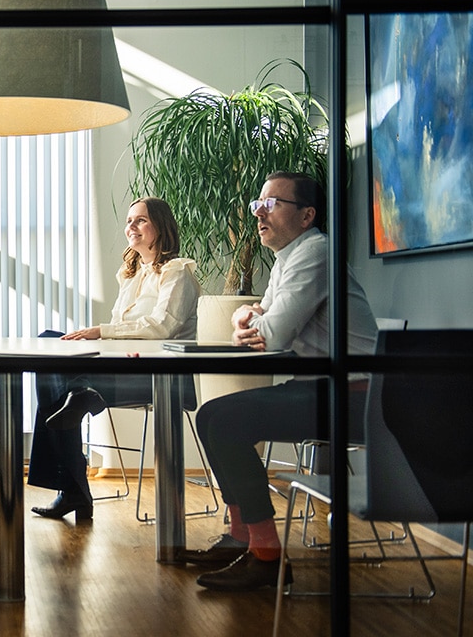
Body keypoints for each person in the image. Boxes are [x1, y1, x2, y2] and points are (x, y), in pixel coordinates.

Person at [188, 171, 378, 592]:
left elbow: (268, 333)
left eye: (271, 204)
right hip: (320, 385)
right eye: (258, 204)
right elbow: (258, 328)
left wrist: (252, 318)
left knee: (222, 420)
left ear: (307, 215)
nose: (259, 212)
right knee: (211, 416)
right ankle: (243, 537)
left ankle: (266, 557)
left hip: (358, 397)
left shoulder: (315, 252)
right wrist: (253, 318)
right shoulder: (287, 258)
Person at [28, 197, 202, 522]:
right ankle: (79, 399)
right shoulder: (132, 275)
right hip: (123, 367)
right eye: (129, 221)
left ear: (160, 227)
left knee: (62, 388)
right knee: (49, 343)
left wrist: (100, 332)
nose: (131, 227)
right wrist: (98, 337)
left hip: (160, 377)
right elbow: (120, 332)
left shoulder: (178, 272)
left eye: (140, 220)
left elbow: (163, 327)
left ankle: (72, 488)